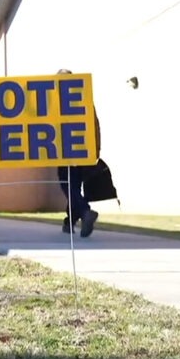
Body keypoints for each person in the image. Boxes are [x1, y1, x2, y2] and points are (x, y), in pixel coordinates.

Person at [56, 68, 100, 237]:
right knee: (74, 186)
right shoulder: (84, 98)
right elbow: (95, 125)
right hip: (83, 150)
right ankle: (70, 221)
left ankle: (85, 212)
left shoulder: (56, 100)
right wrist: (95, 149)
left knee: (68, 185)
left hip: (67, 151)